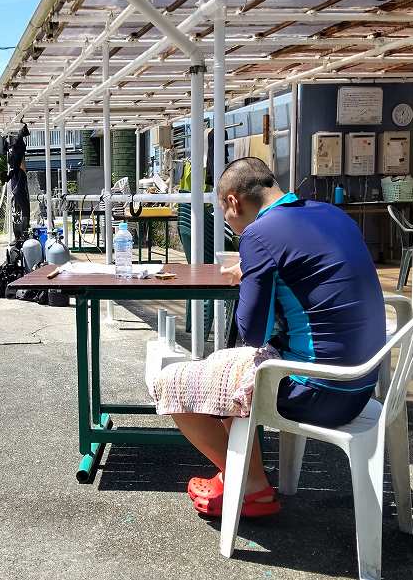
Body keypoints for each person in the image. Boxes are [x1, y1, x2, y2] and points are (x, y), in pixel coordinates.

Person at [149, 157, 386, 518]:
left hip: (318, 392)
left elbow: (252, 332)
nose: (230, 224)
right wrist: (260, 269)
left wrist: (253, 273)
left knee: (174, 382)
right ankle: (248, 480)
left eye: (226, 214)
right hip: (363, 386)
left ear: (233, 201)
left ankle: (248, 483)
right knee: (229, 371)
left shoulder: (260, 235)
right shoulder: (332, 214)